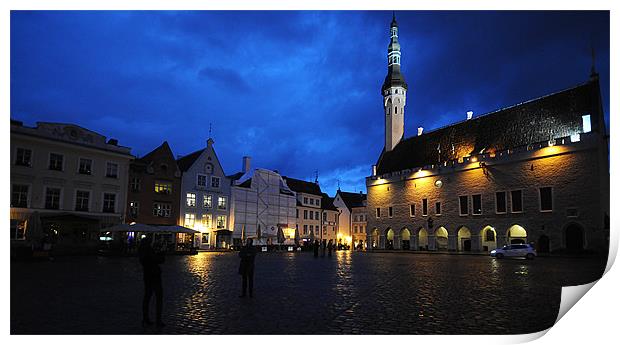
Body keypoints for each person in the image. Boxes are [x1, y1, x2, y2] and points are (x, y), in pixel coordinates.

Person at [138, 234, 165, 328]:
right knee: (158, 298)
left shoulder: (142, 251)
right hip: (154, 276)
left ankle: (146, 318)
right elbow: (158, 260)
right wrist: (161, 252)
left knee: (147, 298)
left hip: (147, 276)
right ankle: (158, 320)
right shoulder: (148, 251)